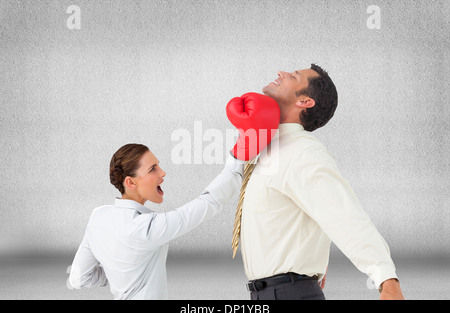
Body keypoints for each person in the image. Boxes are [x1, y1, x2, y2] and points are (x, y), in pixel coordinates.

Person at [232, 64, 405, 300]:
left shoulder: (303, 152)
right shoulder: (267, 149)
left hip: (287, 294)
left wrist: (386, 279)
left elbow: (344, 214)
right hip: (271, 294)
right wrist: (315, 257)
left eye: (293, 76)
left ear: (304, 101)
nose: (280, 72)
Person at [68, 143, 246, 299]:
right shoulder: (146, 228)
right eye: (152, 169)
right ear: (130, 182)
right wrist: (237, 159)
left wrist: (118, 272)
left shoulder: (98, 216)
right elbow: (210, 202)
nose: (163, 172)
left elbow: (78, 278)